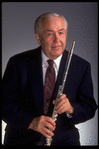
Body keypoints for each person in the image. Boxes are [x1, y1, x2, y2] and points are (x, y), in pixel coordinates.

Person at [2, 12, 97, 146]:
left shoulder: (81, 66)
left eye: (61, 32)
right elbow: (4, 105)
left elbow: (89, 107)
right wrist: (31, 122)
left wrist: (71, 108)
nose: (57, 39)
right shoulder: (17, 63)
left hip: (64, 141)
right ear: (38, 37)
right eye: (50, 33)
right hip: (21, 140)